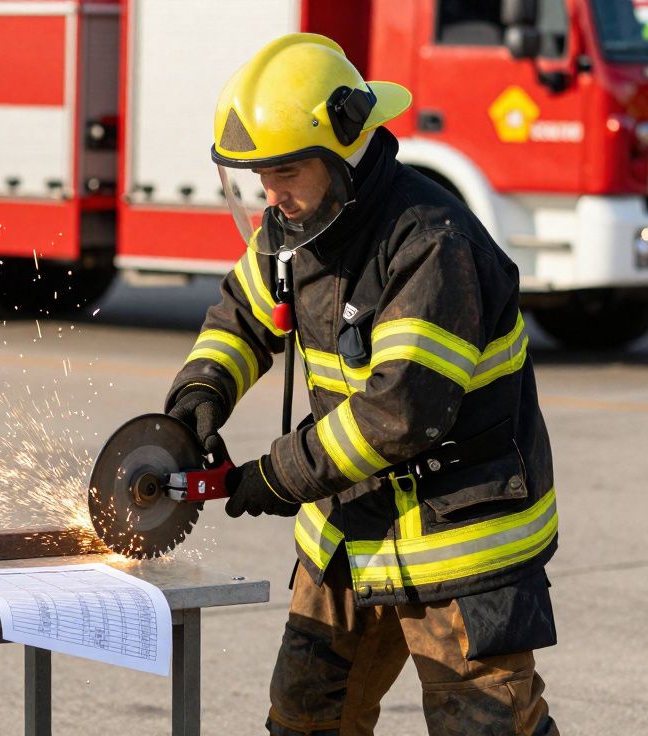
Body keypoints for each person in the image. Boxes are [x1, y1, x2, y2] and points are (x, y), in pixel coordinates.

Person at [165, 34, 559, 735]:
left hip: (459, 547)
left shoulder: (433, 244)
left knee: (488, 728)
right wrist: (199, 395)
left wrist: (275, 476)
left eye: (285, 171)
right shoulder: (301, 226)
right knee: (304, 722)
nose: (271, 196)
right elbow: (243, 317)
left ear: (343, 151)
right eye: (258, 178)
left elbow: (398, 413)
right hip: (348, 537)